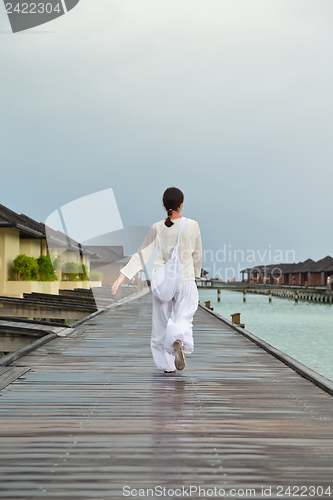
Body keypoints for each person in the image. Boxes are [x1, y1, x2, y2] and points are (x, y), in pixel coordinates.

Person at [112, 187, 202, 374]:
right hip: (185, 280)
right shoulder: (193, 225)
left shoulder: (157, 227)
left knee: (160, 323)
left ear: (164, 205)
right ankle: (178, 339)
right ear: (181, 205)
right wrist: (195, 275)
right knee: (184, 317)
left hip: (163, 281)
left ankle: (167, 366)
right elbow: (197, 254)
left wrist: (123, 276)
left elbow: (142, 253)